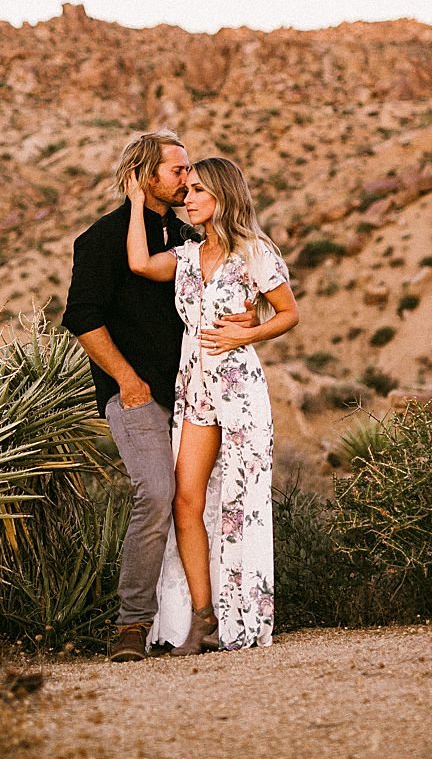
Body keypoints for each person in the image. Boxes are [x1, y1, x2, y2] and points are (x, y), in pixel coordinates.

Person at [62, 131, 258, 663]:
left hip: (197, 392)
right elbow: (81, 318)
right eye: (177, 171)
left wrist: (248, 318)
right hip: (137, 394)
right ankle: (132, 624)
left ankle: (216, 616)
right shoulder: (100, 240)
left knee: (207, 500)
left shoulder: (191, 230)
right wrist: (126, 381)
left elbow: (232, 280)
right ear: (147, 177)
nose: (187, 180)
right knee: (153, 492)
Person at [125, 156, 298, 655]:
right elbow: (138, 262)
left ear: (222, 195)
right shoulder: (184, 254)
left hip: (240, 386)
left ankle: (244, 615)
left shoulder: (255, 252)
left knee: (240, 501)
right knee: (187, 499)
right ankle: (203, 617)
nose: (189, 197)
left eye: (199, 189)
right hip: (195, 386)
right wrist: (137, 201)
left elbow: (289, 313)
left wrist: (251, 330)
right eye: (188, 189)